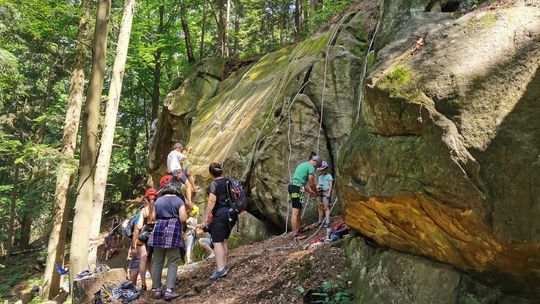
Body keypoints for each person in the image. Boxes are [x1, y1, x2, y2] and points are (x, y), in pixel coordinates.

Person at [148, 179, 187, 300]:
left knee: (157, 260)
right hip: (173, 229)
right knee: (173, 260)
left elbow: (152, 218)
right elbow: (182, 218)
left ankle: (157, 289)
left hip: (158, 229)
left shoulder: (158, 200)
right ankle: (169, 289)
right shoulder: (178, 200)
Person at [203, 162, 237, 280]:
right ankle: (225, 265)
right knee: (224, 240)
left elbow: (212, 200)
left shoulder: (214, 183)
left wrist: (207, 216)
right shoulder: (228, 181)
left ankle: (220, 269)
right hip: (232, 214)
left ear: (211, 173)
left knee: (217, 242)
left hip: (220, 215)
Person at [130, 188, 158, 291]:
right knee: (154, 260)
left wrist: (134, 245)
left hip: (143, 236)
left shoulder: (143, 210)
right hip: (155, 236)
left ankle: (143, 285)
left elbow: (138, 227)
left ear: (146, 198)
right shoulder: (158, 208)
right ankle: (156, 284)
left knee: (143, 258)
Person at [288, 155, 322, 240]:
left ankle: (299, 229)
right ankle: (295, 234)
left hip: (294, 187)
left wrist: (309, 192)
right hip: (297, 188)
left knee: (298, 209)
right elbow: (311, 183)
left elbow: (300, 180)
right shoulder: (311, 167)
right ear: (315, 162)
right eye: (317, 166)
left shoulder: (302, 164)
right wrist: (317, 193)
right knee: (295, 211)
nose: (316, 168)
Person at [317, 161, 333, 228]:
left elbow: (330, 185)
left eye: (322, 170)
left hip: (326, 192)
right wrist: (317, 187)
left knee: (326, 207)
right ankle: (320, 221)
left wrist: (329, 193)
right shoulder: (320, 177)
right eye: (320, 170)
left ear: (326, 169)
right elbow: (318, 184)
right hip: (320, 192)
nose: (321, 171)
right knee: (320, 207)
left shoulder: (329, 176)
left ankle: (327, 221)